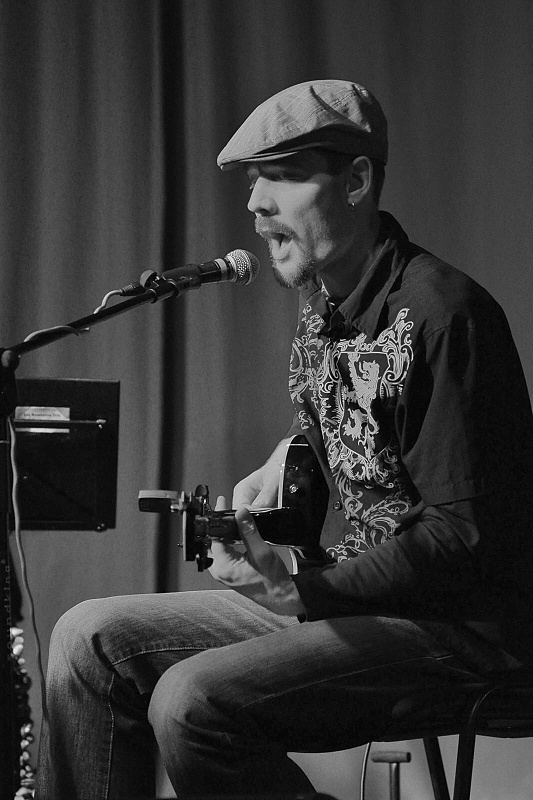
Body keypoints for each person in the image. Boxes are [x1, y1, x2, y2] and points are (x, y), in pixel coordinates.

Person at [35, 80, 533, 800]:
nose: (254, 203)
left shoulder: (443, 314)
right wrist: (290, 451)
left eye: (282, 176)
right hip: (354, 597)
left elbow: (461, 539)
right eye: (252, 181)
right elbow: (360, 415)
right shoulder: (321, 302)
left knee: (191, 702)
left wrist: (300, 590)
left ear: (355, 181)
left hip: (461, 630)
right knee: (87, 640)